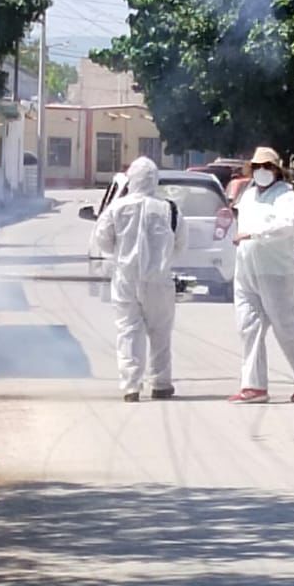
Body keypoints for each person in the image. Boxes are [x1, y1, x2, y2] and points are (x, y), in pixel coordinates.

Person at [230, 146, 294, 404]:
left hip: (275, 272)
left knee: (285, 326)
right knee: (248, 327)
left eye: (267, 167)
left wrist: (254, 233)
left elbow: (284, 226)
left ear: (277, 170)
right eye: (257, 167)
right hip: (246, 269)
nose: (261, 171)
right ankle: (254, 386)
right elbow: (239, 223)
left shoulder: (286, 196)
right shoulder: (248, 195)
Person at [94, 156, 187, 402]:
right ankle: (161, 384)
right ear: (155, 180)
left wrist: (120, 256)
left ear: (131, 180)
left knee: (128, 331)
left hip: (125, 278)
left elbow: (102, 239)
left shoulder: (116, 208)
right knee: (160, 332)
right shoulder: (169, 208)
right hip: (159, 280)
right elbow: (180, 243)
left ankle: (131, 387)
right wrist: (163, 262)